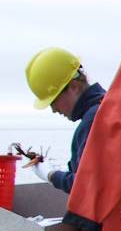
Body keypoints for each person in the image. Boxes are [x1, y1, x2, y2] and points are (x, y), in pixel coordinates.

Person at [23, 47, 106, 193]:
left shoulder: (94, 121)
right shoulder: (107, 107)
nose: (54, 110)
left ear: (74, 87)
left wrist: (51, 175)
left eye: (53, 101)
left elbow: (86, 187)